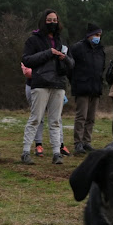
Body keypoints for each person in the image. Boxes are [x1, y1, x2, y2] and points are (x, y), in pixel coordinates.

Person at [20, 9, 75, 165]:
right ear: (43, 21)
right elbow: (27, 60)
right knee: (35, 118)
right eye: (49, 20)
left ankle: (57, 153)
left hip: (58, 84)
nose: (52, 23)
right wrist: (48, 53)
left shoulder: (62, 41)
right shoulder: (33, 40)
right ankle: (25, 152)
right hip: (40, 84)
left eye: (55, 20)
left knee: (55, 120)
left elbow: (72, 64)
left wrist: (64, 58)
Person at [69, 23, 105, 154]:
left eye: (100, 35)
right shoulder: (78, 48)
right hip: (82, 87)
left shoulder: (101, 50)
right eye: (96, 34)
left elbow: (102, 68)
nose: (98, 37)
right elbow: (70, 67)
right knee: (81, 117)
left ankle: (86, 142)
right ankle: (78, 143)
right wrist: (75, 82)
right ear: (89, 35)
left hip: (95, 88)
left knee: (91, 118)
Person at [21, 63, 70, 157]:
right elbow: (27, 72)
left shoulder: (58, 49)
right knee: (38, 117)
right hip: (35, 86)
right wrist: (47, 74)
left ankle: (60, 145)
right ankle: (38, 145)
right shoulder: (32, 50)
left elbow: (66, 66)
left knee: (56, 118)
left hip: (55, 86)